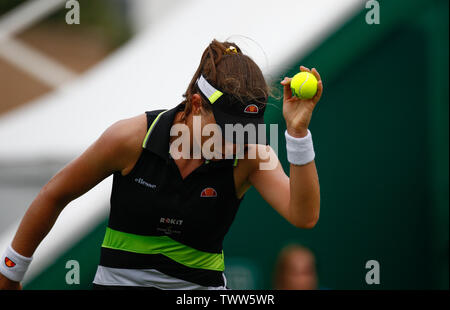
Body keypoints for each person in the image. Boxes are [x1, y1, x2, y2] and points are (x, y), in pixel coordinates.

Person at [0, 39, 323, 290]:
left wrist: (297, 133)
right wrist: (11, 270)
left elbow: (304, 216)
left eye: (242, 132)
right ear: (196, 105)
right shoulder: (128, 138)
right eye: (224, 131)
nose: (234, 142)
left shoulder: (249, 154)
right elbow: (55, 193)